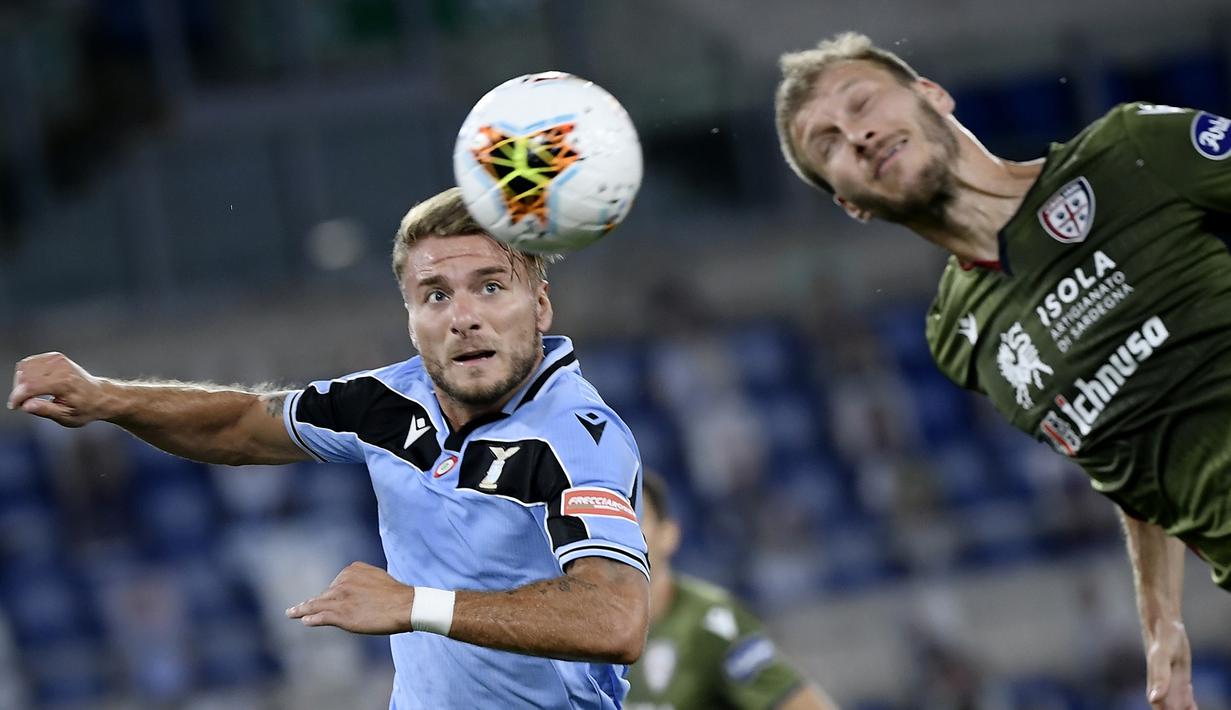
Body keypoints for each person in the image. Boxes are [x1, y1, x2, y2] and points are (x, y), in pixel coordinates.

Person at [7, 187, 651, 709]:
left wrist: (414, 605)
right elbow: (239, 425)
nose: (463, 316)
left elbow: (615, 620)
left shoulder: (575, 437)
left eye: (490, 286)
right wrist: (106, 398)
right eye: (435, 295)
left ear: (540, 304)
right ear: (409, 315)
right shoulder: (388, 401)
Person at [774, 31, 1231, 710]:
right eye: (828, 143)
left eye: (862, 101)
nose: (857, 133)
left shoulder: (1132, 152)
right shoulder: (961, 341)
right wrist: (1161, 619)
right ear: (851, 204)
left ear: (931, 94)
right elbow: (1128, 460)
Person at [625, 471, 838, 710]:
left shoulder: (710, 624)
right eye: (613, 521)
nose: (621, 536)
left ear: (668, 535)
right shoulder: (588, 630)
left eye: (635, 520)